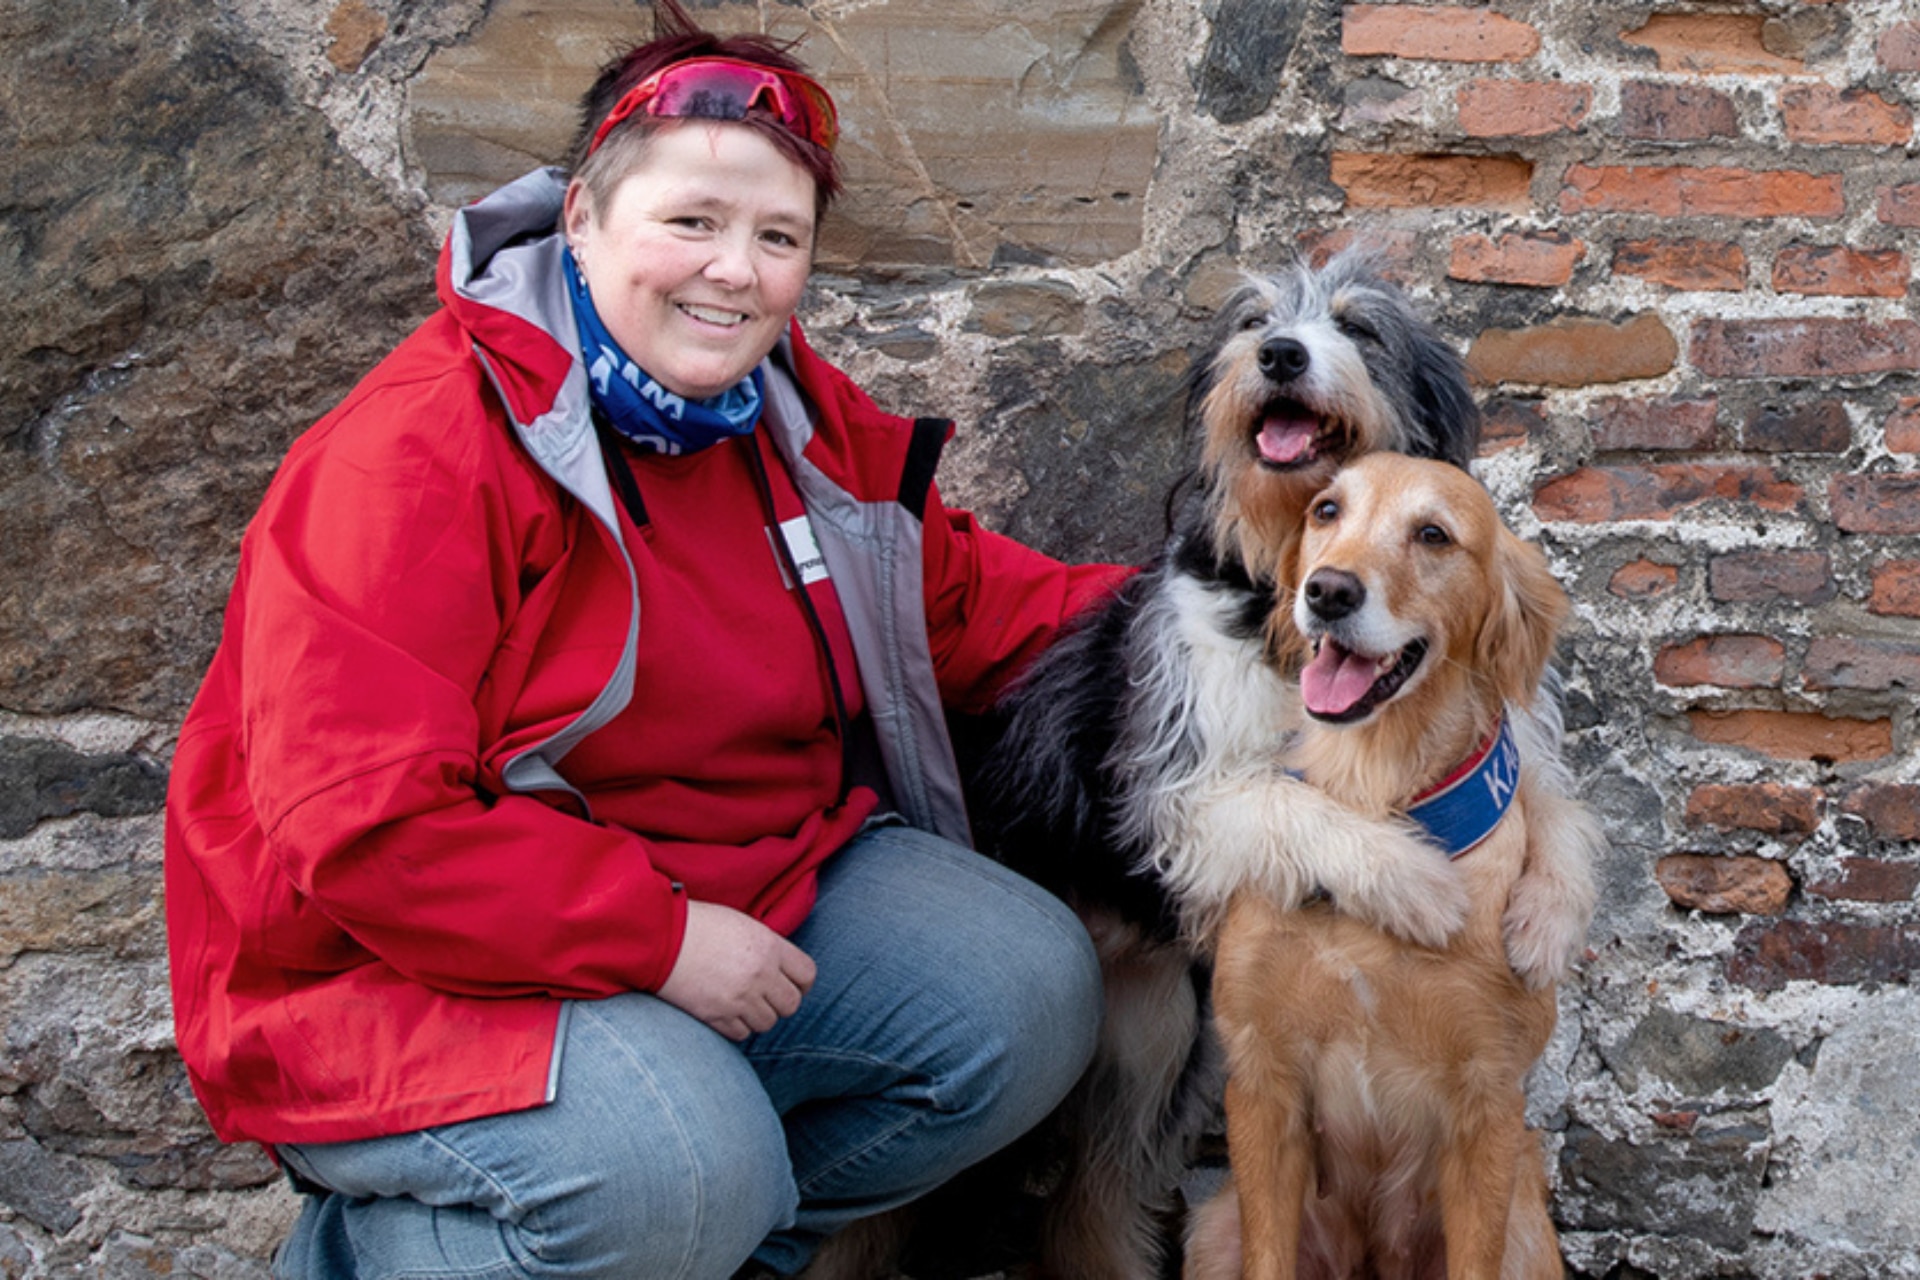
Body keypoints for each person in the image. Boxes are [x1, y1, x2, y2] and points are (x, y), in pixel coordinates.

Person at [163, 3, 1125, 1275]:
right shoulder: (415, 451)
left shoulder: (784, 415)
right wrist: (663, 940)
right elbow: (367, 826)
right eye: (692, 221)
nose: (735, 270)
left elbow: (964, 601)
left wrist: (1240, 620)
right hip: (392, 962)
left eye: (777, 237)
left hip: (726, 879)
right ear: (581, 217)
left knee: (1022, 995)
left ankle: (686, 1242)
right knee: (682, 1167)